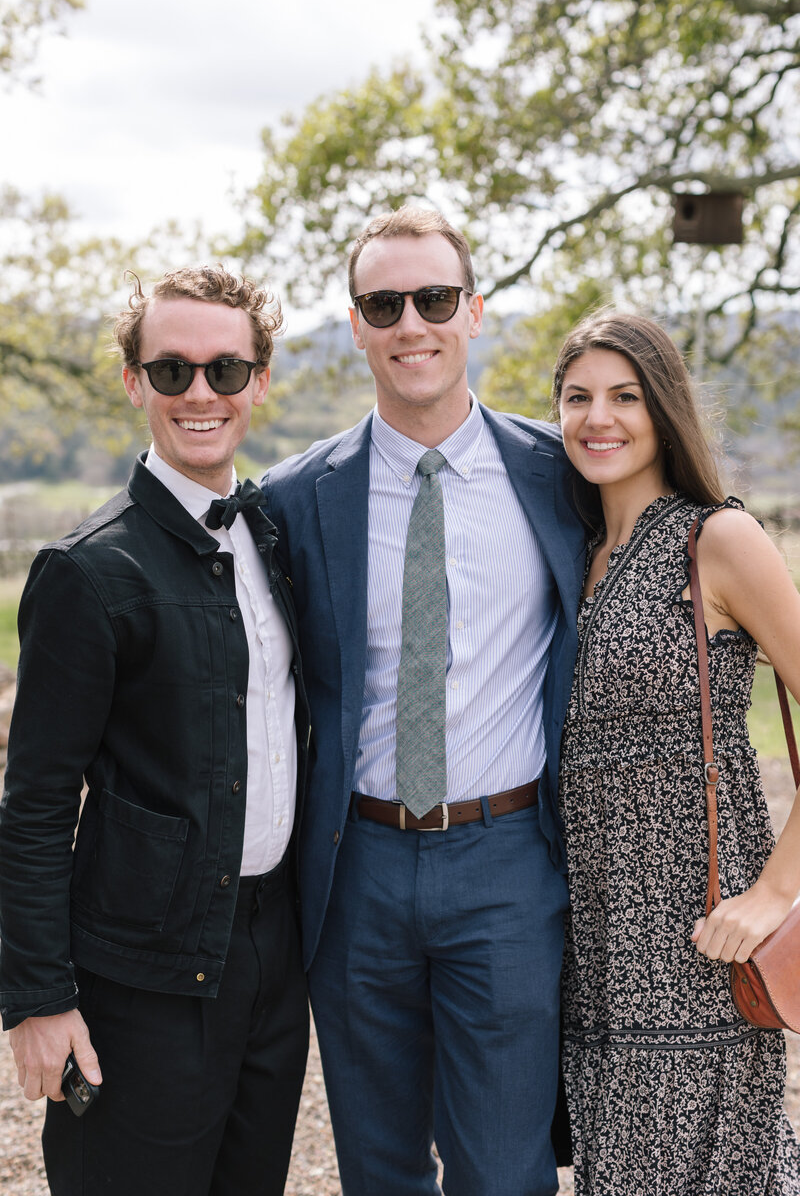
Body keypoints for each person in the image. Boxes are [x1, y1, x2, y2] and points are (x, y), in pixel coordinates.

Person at [263, 206, 585, 1196]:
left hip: (504, 868)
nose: (412, 323)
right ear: (355, 324)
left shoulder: (561, 474)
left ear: (473, 312)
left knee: (503, 1171)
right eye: (383, 303)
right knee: (380, 1171)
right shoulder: (292, 498)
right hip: (352, 867)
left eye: (434, 298)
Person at [0, 265, 311, 1196]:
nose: (200, 393)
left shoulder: (274, 540)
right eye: (171, 371)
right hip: (139, 973)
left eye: (225, 369)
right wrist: (38, 999)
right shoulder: (85, 573)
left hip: (271, 957)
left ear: (259, 381)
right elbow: (36, 804)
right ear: (134, 382)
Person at [553, 309, 800, 1193]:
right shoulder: (572, 554)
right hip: (593, 948)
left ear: (664, 410)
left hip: (701, 935)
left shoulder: (715, 540)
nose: (598, 418)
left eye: (625, 395)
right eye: (577, 397)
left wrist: (773, 893)